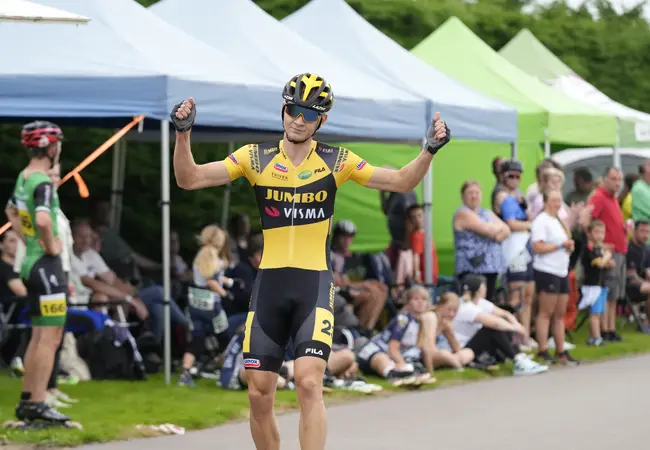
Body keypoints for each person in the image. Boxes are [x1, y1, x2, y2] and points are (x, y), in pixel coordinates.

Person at [171, 72, 450, 450]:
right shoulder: (255, 157)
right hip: (270, 286)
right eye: (293, 111)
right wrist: (183, 133)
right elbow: (189, 178)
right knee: (258, 393)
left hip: (312, 284)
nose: (299, 120)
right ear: (283, 110)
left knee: (307, 382)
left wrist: (428, 150)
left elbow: (400, 181)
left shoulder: (337, 160)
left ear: (322, 120)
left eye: (310, 114)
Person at [4, 121, 71, 424]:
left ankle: (28, 401)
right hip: (46, 267)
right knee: (50, 336)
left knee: (38, 334)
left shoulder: (24, 176)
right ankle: (39, 402)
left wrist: (26, 236)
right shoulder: (42, 181)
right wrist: (51, 245)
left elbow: (10, 211)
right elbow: (44, 220)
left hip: (30, 263)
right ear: (51, 148)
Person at [450, 274, 547, 376]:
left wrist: (515, 324)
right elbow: (495, 323)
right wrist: (516, 329)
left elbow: (505, 314)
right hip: (463, 347)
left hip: (475, 342)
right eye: (484, 286)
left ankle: (519, 357)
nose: (486, 289)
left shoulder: (479, 302)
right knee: (492, 329)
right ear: (479, 291)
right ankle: (519, 361)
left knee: (503, 324)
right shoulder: (466, 307)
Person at [179, 225, 233, 387]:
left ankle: (185, 373)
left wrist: (228, 281)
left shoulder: (200, 256)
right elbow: (211, 281)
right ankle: (224, 368)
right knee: (225, 338)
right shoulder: (214, 258)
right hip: (211, 305)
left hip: (195, 304)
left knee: (197, 339)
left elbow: (205, 277)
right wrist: (225, 293)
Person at [531, 190, 579, 365]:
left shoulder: (558, 220)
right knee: (545, 312)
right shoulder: (541, 220)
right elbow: (537, 246)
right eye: (553, 200)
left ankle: (561, 350)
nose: (557, 204)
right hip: (547, 269)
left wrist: (568, 247)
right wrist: (559, 246)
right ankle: (543, 349)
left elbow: (564, 242)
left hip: (561, 270)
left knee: (559, 313)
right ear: (545, 202)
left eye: (559, 200)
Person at [355, 286, 436, 386]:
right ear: (408, 303)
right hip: (375, 352)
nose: (420, 302)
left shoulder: (420, 322)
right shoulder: (403, 320)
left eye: (423, 299)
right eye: (416, 299)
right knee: (382, 358)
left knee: (411, 365)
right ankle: (393, 375)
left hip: (393, 357)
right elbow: (392, 348)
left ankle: (404, 374)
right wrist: (401, 363)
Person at [453, 180, 509, 302]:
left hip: (491, 268)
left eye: (477, 192)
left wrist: (493, 232)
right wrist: (494, 230)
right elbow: (486, 229)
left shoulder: (486, 212)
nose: (474, 196)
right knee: (474, 304)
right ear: (463, 196)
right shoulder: (462, 213)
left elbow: (506, 230)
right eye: (470, 193)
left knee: (489, 303)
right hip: (471, 269)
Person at [589, 167, 627, 342]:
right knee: (608, 291)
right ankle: (604, 329)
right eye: (613, 179)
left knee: (615, 294)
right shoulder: (599, 197)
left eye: (619, 179)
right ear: (605, 179)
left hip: (619, 250)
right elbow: (590, 222)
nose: (617, 183)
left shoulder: (613, 199)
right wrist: (598, 245)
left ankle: (611, 327)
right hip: (609, 251)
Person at [417, 292, 474, 370]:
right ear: (440, 306)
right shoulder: (431, 317)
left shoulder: (445, 322)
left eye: (455, 311)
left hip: (437, 355)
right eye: (449, 309)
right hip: (420, 356)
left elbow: (457, 348)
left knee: (469, 352)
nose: (451, 314)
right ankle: (457, 365)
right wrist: (430, 371)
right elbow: (427, 348)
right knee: (444, 354)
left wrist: (449, 329)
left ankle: (453, 362)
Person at [578, 220, 614, 346]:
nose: (600, 235)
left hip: (601, 285)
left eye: (602, 233)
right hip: (592, 286)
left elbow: (611, 264)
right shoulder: (589, 249)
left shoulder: (599, 249)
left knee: (599, 312)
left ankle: (592, 336)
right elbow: (600, 263)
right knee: (595, 313)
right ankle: (597, 338)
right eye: (596, 232)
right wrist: (607, 256)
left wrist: (606, 259)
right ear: (589, 233)